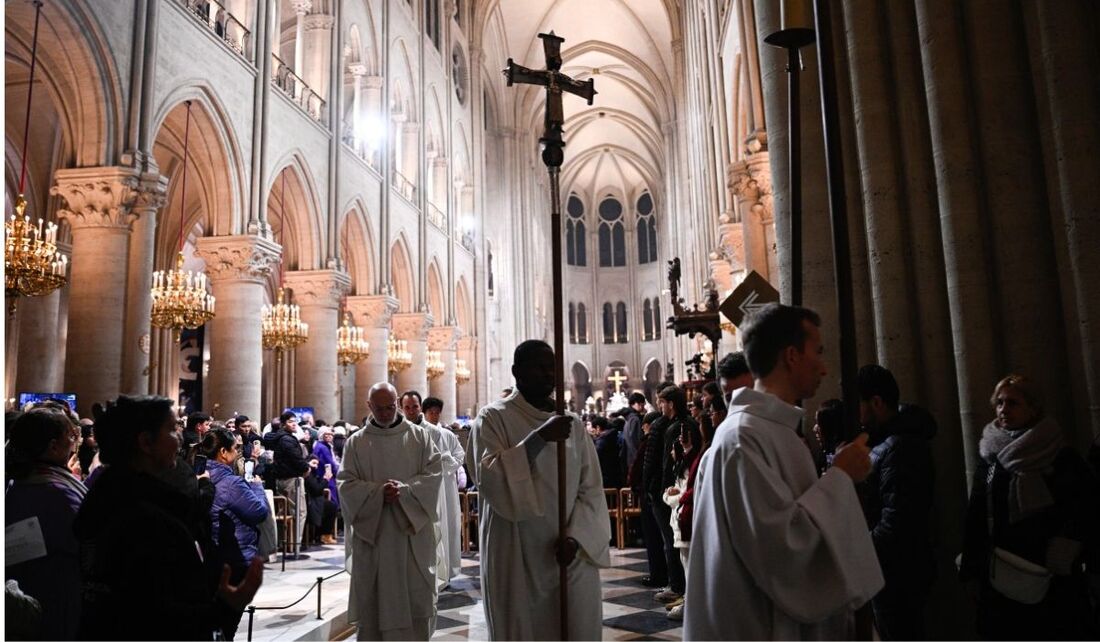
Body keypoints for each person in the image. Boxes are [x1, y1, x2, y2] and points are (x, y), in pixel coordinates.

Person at [683, 303, 883, 639]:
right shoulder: (743, 439)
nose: (823, 367)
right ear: (791, 356)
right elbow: (783, 550)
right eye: (817, 351)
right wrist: (841, 478)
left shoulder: (771, 431)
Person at [74, 395, 262, 640]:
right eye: (172, 430)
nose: (180, 439)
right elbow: (157, 615)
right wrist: (227, 606)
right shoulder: (143, 519)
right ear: (145, 442)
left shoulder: (114, 496)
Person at [466, 340, 611, 640]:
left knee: (573, 628)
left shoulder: (572, 424)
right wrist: (538, 439)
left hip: (568, 551)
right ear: (517, 372)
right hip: (515, 548)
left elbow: (591, 488)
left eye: (553, 368)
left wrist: (577, 536)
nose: (549, 375)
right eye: (540, 367)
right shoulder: (493, 418)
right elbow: (488, 475)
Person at [959, 375, 1098, 640]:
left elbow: (1087, 510)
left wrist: (1077, 554)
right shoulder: (990, 457)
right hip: (1002, 573)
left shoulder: (1060, 456)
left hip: (1050, 575)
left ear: (1033, 409)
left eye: (1013, 403)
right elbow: (976, 515)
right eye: (999, 403)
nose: (1003, 409)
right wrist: (971, 572)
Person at [338, 382, 442, 640]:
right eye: (379, 408)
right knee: (374, 609)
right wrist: (376, 493)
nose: (385, 413)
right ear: (368, 406)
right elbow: (346, 484)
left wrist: (405, 492)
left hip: (410, 535)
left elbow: (434, 475)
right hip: (375, 538)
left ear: (397, 404)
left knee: (414, 604)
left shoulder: (420, 437)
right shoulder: (356, 443)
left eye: (389, 407)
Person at [856, 364, 937, 640]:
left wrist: (859, 554)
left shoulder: (901, 448)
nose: (857, 417)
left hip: (897, 575)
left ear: (876, 402)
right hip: (890, 571)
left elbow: (897, 520)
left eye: (859, 406)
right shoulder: (887, 443)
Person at [5, 407, 87, 641]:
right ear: (53, 447)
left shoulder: (18, 482)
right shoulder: (57, 494)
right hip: (54, 598)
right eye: (70, 436)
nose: (74, 442)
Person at [201, 427, 270, 640]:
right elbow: (259, 512)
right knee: (226, 626)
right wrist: (256, 487)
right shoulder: (230, 483)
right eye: (234, 449)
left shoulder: (203, 475)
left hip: (212, 556)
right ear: (223, 452)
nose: (237, 453)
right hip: (235, 557)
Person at [653, 385, 696, 604]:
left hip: (677, 491)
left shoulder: (675, 428)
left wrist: (663, 490)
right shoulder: (688, 424)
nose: (659, 406)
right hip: (683, 488)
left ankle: (679, 588)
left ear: (671, 403)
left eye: (661, 402)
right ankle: (683, 588)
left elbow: (670, 463)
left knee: (676, 543)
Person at [421, 396, 466, 589]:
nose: (435, 415)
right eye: (431, 412)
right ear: (424, 412)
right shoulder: (418, 432)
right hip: (425, 488)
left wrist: (447, 463)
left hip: (445, 488)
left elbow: (459, 455)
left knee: (446, 527)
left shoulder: (447, 435)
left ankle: (445, 571)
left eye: (438, 412)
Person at [263, 411, 310, 558]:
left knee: (285, 514)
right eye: (290, 422)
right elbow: (295, 458)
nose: (294, 423)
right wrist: (306, 467)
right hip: (291, 480)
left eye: (295, 421)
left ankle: (286, 544)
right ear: (283, 424)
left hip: (281, 480)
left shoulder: (278, 437)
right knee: (299, 513)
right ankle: (295, 546)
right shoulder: (287, 440)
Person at [622, 392, 647, 471]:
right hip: (635, 458)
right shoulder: (635, 419)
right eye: (641, 403)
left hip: (630, 457)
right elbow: (636, 440)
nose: (643, 406)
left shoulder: (628, 418)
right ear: (635, 403)